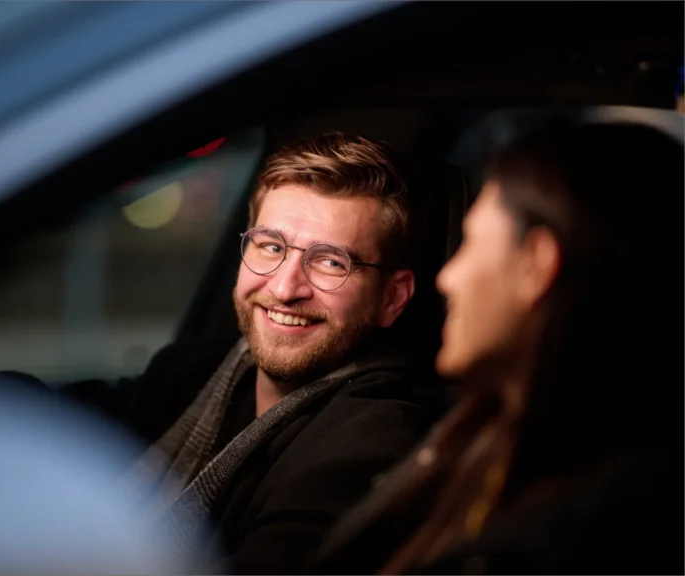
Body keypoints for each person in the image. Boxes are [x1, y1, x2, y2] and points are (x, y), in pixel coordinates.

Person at [306, 121, 684, 575]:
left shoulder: (593, 534)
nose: (447, 279)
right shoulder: (485, 440)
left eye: (470, 243)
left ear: (536, 264)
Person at [58, 133, 441, 573]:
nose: (284, 288)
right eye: (271, 246)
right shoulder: (193, 371)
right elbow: (57, 418)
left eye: (331, 262)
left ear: (392, 298)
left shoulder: (372, 444)